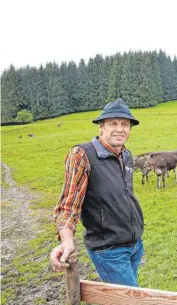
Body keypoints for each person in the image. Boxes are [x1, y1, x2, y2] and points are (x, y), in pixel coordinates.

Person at [50, 98, 145, 287]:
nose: (120, 129)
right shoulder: (82, 155)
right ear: (101, 127)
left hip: (135, 245)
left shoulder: (126, 156)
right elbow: (68, 206)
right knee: (131, 300)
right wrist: (66, 241)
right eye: (113, 123)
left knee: (124, 298)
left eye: (125, 124)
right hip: (109, 250)